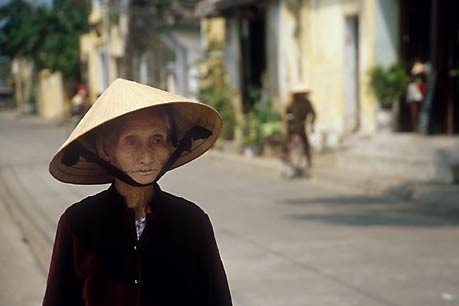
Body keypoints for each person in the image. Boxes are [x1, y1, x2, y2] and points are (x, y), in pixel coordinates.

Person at [43, 78, 232, 306]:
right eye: (131, 141)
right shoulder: (77, 224)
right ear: (105, 149)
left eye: (157, 139)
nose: (146, 156)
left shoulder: (192, 222)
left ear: (170, 146)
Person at [281, 85, 316, 174]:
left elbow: (313, 114)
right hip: (292, 125)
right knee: (286, 140)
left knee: (305, 142)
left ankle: (308, 161)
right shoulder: (291, 103)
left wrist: (311, 124)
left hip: (301, 125)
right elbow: (285, 113)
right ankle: (284, 154)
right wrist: (287, 121)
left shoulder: (307, 103)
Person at [406, 60, 427, 131]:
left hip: (419, 90)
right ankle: (415, 126)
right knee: (414, 108)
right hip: (415, 89)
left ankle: (418, 126)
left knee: (419, 108)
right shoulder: (414, 73)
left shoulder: (422, 70)